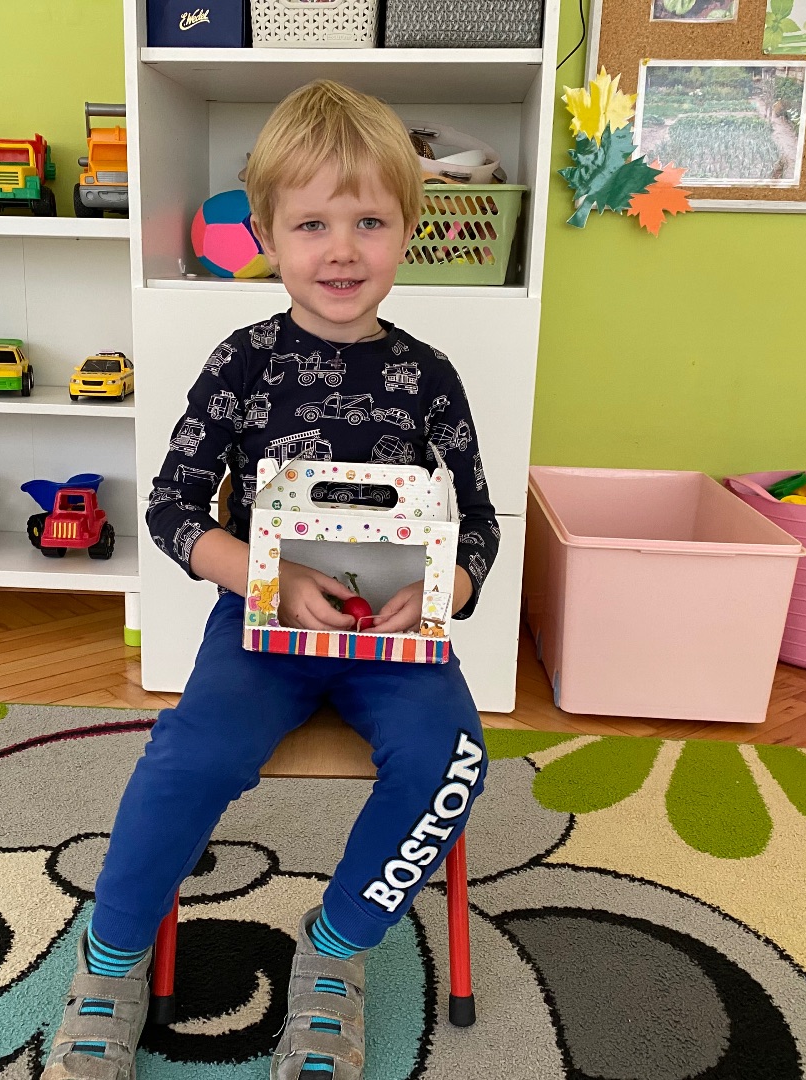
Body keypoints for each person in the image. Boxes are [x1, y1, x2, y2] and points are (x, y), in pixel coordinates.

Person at [44, 79, 499, 1080]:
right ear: (266, 236)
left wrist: (446, 592)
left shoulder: (429, 377)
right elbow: (171, 507)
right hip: (262, 630)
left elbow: (477, 522)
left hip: (392, 638)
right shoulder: (242, 362)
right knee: (187, 757)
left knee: (455, 760)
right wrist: (266, 575)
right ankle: (111, 960)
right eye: (312, 224)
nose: (342, 250)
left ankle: (335, 949)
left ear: (409, 231)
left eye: (370, 221)